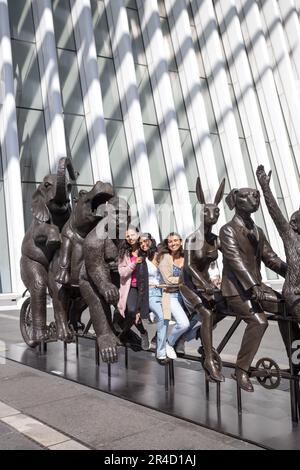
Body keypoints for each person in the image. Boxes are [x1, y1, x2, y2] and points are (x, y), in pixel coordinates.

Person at [219, 187, 287, 391]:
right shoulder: (227, 230)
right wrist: (253, 284)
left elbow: (271, 259)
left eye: (255, 196)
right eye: (246, 196)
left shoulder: (258, 231)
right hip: (236, 289)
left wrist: (293, 274)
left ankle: (295, 357)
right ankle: (241, 370)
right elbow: (235, 261)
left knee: (288, 307)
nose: (253, 200)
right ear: (234, 201)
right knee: (259, 322)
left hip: (256, 287)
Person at [179, 177, 226, 382]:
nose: (212, 215)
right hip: (189, 283)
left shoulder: (216, 239)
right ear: (201, 213)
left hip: (206, 284)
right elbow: (188, 266)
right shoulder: (192, 239)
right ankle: (208, 358)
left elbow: (231, 257)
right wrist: (204, 284)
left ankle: (202, 333)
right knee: (206, 314)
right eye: (207, 212)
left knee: (227, 304)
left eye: (216, 212)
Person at [157, 232, 190, 360]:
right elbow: (169, 280)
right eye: (170, 241)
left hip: (185, 295)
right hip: (171, 295)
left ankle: (181, 339)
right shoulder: (165, 257)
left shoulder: (186, 257)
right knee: (183, 324)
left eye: (176, 240)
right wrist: (186, 280)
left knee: (203, 317)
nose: (173, 243)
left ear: (181, 242)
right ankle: (169, 343)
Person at [117, 225, 150, 350]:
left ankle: (123, 334)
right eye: (127, 236)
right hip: (131, 287)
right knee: (131, 311)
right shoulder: (124, 253)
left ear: (138, 234)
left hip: (146, 287)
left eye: (132, 235)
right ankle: (142, 332)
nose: (130, 238)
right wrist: (134, 263)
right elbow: (122, 273)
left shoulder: (145, 248)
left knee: (138, 313)